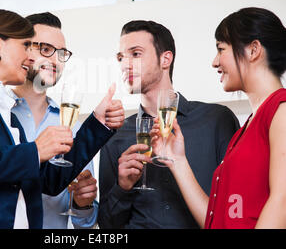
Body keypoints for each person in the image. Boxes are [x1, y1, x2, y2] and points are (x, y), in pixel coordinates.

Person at [0, 8, 124, 229]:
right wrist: (35, 150)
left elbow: (50, 181)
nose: (30, 56)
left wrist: (97, 123)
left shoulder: (9, 119)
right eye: (26, 45)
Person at [150, 7, 286, 229]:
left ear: (253, 50)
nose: (215, 62)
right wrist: (178, 161)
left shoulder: (281, 110)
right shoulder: (245, 130)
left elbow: (283, 202)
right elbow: (216, 220)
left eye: (221, 49)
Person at [98, 20, 240, 229]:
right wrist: (123, 187)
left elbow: (235, 208)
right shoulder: (114, 134)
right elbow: (108, 227)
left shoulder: (217, 120)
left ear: (165, 59)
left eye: (135, 54)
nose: (125, 64)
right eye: (120, 57)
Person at [10, 12, 99, 228]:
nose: (55, 61)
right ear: (24, 49)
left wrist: (83, 203)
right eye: (47, 50)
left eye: (61, 54)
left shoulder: (75, 129)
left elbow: (85, 225)